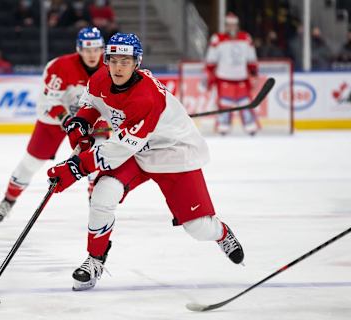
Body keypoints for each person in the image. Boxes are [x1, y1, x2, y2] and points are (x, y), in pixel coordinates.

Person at [47, 33, 245, 291]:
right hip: (137, 152)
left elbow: (116, 150)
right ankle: (95, 260)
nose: (118, 67)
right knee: (103, 193)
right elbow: (91, 104)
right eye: (113, 60)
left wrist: (76, 167)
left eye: (125, 61)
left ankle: (221, 233)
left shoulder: (145, 98)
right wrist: (80, 124)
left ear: (136, 63)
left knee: (198, 228)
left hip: (173, 152)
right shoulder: (100, 79)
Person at [0, 27, 109, 222]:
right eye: (87, 49)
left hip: (94, 119)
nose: (92, 54)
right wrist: (67, 119)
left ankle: (96, 202)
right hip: (57, 119)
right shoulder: (59, 67)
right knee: (31, 162)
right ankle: (8, 201)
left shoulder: (110, 67)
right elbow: (47, 103)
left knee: (98, 159)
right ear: (78, 49)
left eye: (96, 49)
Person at [205, 13, 259, 135]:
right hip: (224, 77)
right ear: (225, 25)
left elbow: (251, 58)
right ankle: (223, 127)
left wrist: (254, 72)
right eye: (229, 25)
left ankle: (250, 126)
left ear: (237, 25)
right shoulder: (217, 38)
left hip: (241, 77)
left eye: (233, 25)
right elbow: (211, 59)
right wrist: (209, 73)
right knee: (225, 103)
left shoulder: (246, 38)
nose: (231, 27)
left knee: (245, 102)